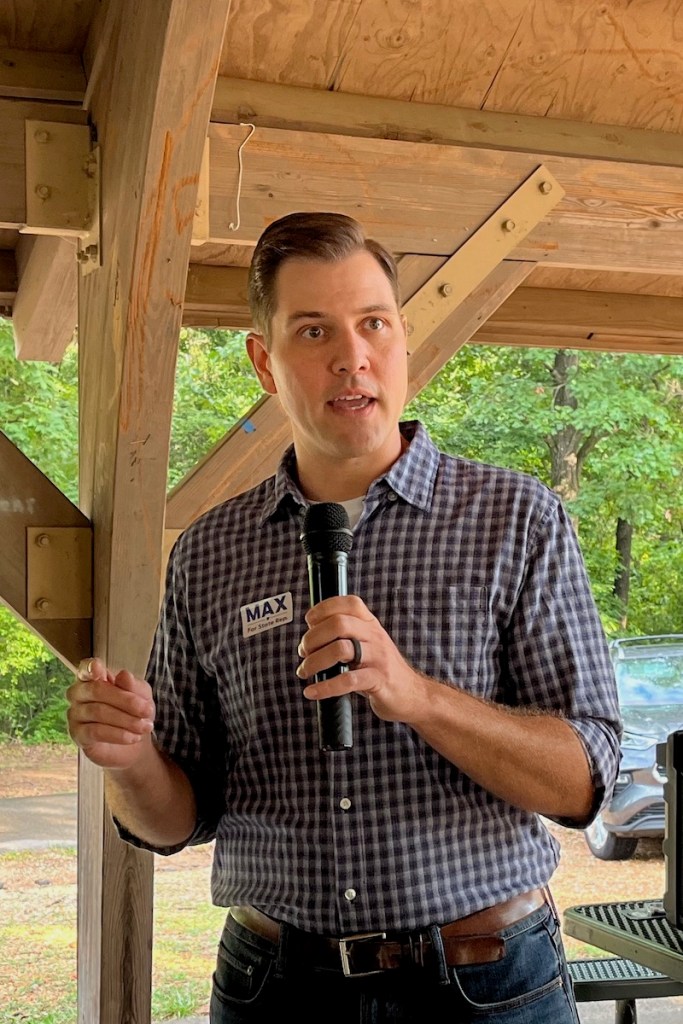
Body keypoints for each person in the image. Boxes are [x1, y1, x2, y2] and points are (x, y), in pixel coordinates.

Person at [67, 211, 622, 1023]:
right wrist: (127, 760)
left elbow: (584, 782)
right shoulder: (211, 553)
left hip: (488, 983)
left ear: (402, 340)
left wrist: (416, 695)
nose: (351, 355)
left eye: (373, 323)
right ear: (265, 361)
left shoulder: (515, 518)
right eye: (313, 330)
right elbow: (176, 819)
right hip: (275, 989)